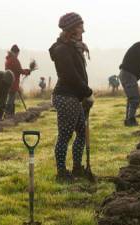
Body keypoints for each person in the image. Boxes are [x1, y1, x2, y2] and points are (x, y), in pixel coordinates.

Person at [49, 12, 94, 182]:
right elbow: (71, 76)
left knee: (82, 132)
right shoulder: (62, 50)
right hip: (66, 96)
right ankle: (61, 173)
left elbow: (79, 74)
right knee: (65, 135)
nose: (83, 28)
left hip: (75, 96)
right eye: (80, 25)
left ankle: (77, 168)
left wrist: (84, 94)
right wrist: (87, 93)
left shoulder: (74, 47)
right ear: (73, 29)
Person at [5, 44, 31, 116]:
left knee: (10, 98)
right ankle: (8, 114)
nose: (18, 55)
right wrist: (27, 72)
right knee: (11, 99)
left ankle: (10, 114)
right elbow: (19, 70)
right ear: (15, 52)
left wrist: (25, 71)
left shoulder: (8, 59)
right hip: (13, 82)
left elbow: (17, 70)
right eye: (17, 53)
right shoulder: (14, 60)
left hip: (9, 82)